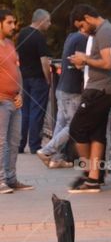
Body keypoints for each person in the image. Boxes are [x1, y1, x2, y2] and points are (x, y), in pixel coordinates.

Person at [66, 4, 111, 193]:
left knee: (76, 129)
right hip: (102, 89)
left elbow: (107, 62)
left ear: (88, 18)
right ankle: (94, 179)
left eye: (81, 26)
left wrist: (85, 60)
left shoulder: (104, 32)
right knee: (96, 134)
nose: (81, 31)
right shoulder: (103, 31)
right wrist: (85, 60)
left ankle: (88, 171)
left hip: (100, 91)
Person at [38, 20, 87, 168]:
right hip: (72, 90)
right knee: (73, 125)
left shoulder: (71, 37)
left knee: (60, 124)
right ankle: (47, 151)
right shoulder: (82, 40)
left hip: (62, 87)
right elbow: (80, 64)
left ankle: (56, 158)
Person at [0, 9, 31, 193]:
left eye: (14, 22)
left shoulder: (10, 44)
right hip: (1, 101)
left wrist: (20, 93)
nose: (14, 26)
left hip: (14, 100)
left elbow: (15, 70)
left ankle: (11, 179)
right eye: (10, 22)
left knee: (14, 142)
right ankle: (1, 180)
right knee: (1, 142)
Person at [16, 9, 52, 154]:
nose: (50, 24)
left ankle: (20, 143)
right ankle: (34, 145)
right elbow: (44, 61)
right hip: (38, 78)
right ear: (41, 20)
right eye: (48, 21)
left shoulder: (22, 34)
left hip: (24, 78)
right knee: (37, 112)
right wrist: (48, 79)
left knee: (25, 111)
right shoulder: (39, 37)